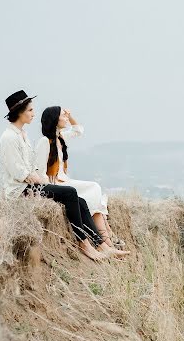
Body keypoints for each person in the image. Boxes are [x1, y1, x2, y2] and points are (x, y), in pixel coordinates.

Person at [0, 90, 111, 262]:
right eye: (30, 110)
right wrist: (44, 183)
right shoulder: (9, 138)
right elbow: (20, 173)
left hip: (30, 185)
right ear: (19, 112)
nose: (33, 114)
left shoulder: (23, 135)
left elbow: (31, 167)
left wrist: (40, 179)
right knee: (70, 192)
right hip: (20, 190)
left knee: (79, 200)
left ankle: (101, 244)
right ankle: (84, 244)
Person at [34, 106, 129, 257]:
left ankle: (107, 244)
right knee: (94, 188)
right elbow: (39, 171)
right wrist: (51, 189)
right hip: (55, 184)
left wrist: (70, 115)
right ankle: (108, 241)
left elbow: (78, 130)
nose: (65, 118)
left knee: (93, 192)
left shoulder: (61, 137)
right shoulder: (44, 142)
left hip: (64, 180)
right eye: (62, 116)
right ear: (54, 120)